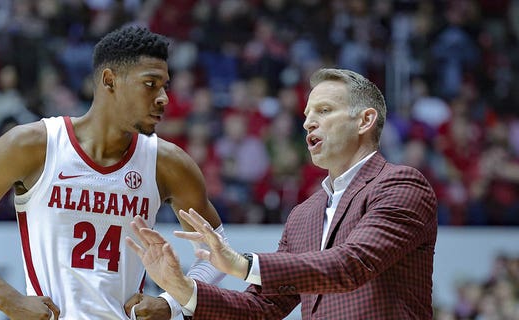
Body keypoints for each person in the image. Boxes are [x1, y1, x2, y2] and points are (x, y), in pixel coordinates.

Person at [0, 26, 226, 320]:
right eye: (150, 84)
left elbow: (218, 249)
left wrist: (173, 303)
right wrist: (7, 300)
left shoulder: (168, 163)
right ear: (110, 80)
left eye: (165, 86)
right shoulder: (33, 145)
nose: (163, 98)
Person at [127, 68, 438, 319]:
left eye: (324, 110)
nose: (308, 122)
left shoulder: (400, 186)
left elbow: (349, 265)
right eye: (306, 113)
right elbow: (260, 310)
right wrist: (183, 290)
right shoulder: (303, 215)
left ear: (365, 121)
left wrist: (241, 264)